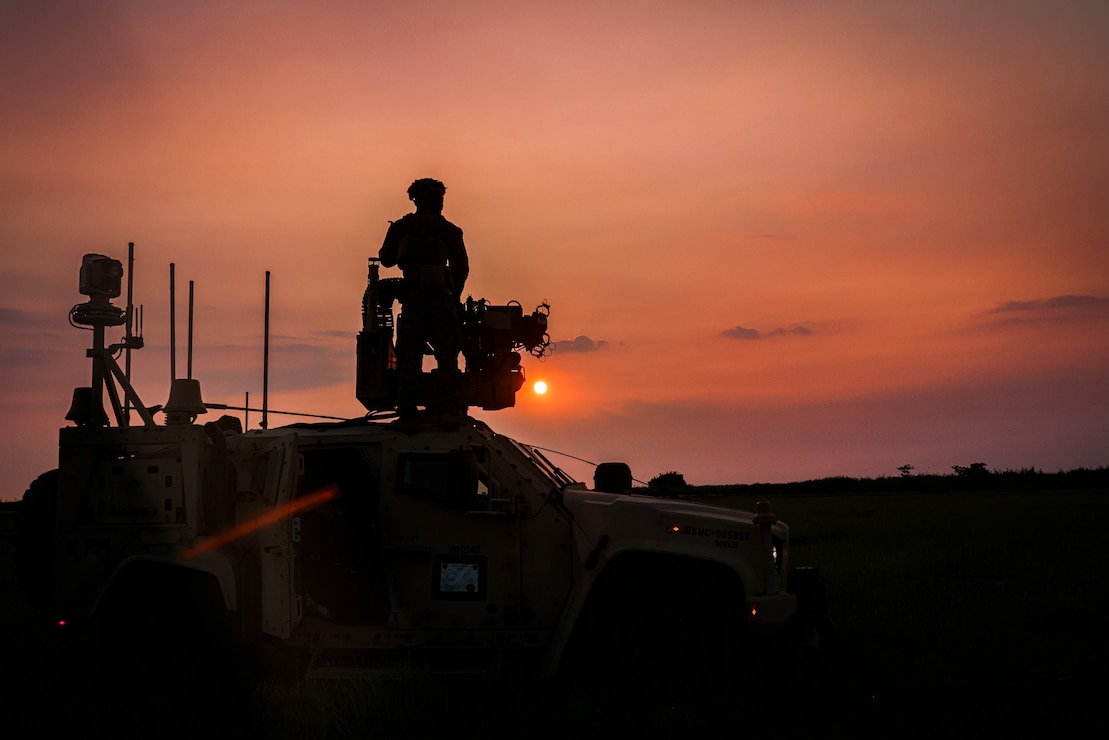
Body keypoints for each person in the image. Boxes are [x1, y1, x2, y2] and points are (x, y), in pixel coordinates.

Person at [378, 178, 469, 415]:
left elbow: (386, 259)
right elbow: (461, 268)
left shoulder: (403, 228)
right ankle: (441, 407)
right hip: (433, 302)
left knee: (417, 354)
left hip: (421, 302)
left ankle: (412, 408)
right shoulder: (447, 230)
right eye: (435, 198)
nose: (438, 203)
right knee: (433, 355)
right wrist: (454, 297)